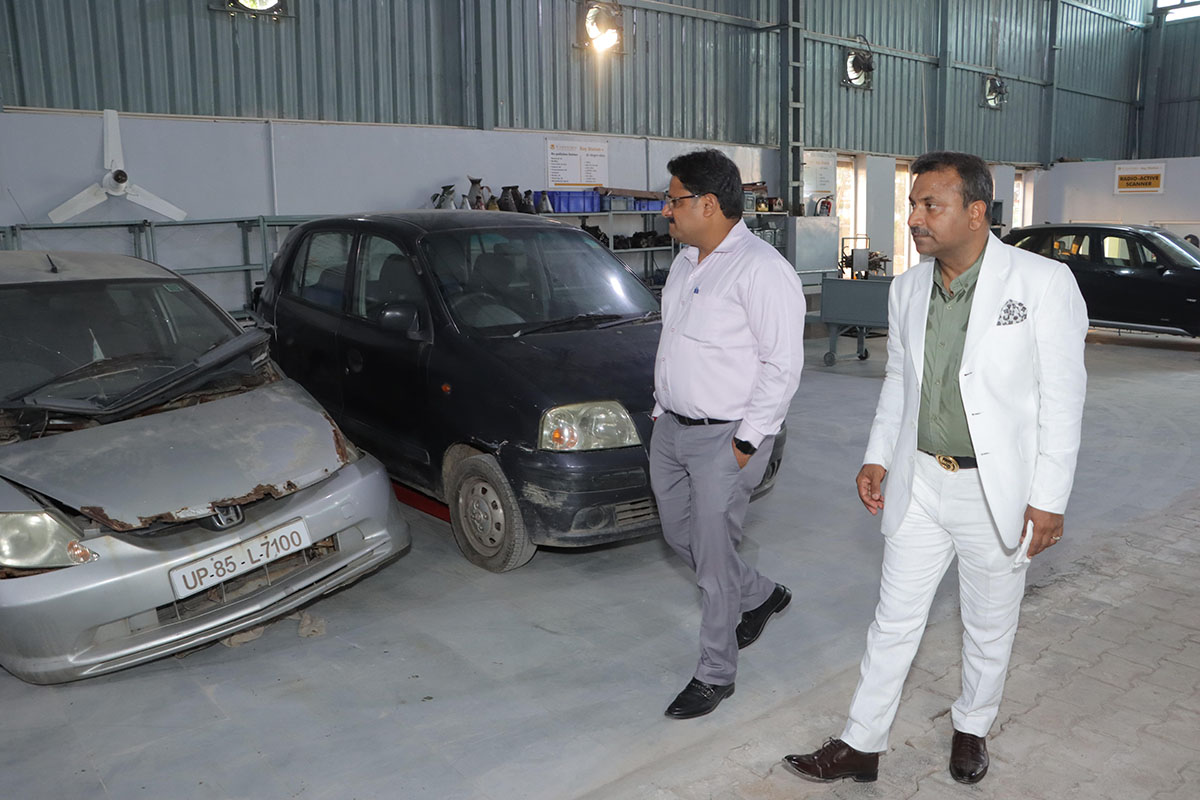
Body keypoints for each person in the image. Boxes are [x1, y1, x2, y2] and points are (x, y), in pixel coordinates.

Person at [783, 151, 1088, 783]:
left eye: (930, 205)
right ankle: (862, 743)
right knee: (893, 619)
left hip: (996, 491)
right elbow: (900, 380)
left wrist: (1050, 498)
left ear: (976, 213)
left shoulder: (1043, 283)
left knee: (988, 623)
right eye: (913, 204)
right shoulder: (907, 287)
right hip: (920, 480)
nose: (915, 218)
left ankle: (971, 727)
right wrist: (877, 455)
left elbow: (1063, 400)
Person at [650, 148, 807, 719]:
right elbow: (675, 342)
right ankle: (761, 594)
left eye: (674, 200)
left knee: (713, 563)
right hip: (671, 428)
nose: (666, 210)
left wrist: (746, 442)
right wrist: (661, 409)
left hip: (727, 437)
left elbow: (782, 365)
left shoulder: (763, 270)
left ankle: (715, 673)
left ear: (708, 204)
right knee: (681, 537)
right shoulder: (684, 263)